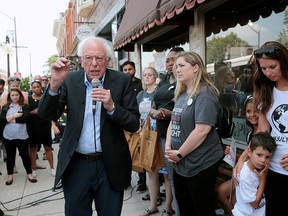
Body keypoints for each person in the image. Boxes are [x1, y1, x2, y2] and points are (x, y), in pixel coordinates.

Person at [38, 36, 140, 216]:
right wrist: (54, 84)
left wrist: (112, 108)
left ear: (108, 60)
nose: (94, 64)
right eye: (89, 58)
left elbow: (133, 123)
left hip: (110, 166)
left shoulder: (122, 81)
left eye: (99, 58)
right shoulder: (69, 80)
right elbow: (47, 114)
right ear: (81, 60)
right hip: (76, 165)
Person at [165, 51, 223, 216]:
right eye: (176, 66)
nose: (177, 70)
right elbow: (173, 121)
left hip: (200, 163)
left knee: (202, 208)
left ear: (196, 67)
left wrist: (180, 153)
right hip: (180, 162)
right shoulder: (183, 93)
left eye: (182, 65)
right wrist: (169, 147)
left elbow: (202, 130)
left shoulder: (205, 94)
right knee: (185, 208)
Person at [234, 41, 288, 216]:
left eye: (272, 66)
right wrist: (243, 158)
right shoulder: (266, 90)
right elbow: (263, 131)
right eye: (263, 68)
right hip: (272, 167)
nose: (268, 73)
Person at [149, 46, 184, 216]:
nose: (170, 63)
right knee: (170, 176)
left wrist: (171, 113)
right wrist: (154, 112)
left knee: (181, 178)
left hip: (182, 136)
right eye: (168, 60)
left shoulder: (184, 81)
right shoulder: (163, 80)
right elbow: (153, 104)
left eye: (174, 59)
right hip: (163, 134)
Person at [218, 95, 258, 214]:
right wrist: (232, 154)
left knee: (227, 193)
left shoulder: (265, 132)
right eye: (248, 111)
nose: (252, 115)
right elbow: (249, 156)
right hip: (244, 173)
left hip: (253, 177)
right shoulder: (250, 133)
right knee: (225, 193)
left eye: (256, 111)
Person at [232, 132, 276, 216]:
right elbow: (255, 203)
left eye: (267, 157)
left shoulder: (260, 168)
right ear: (249, 152)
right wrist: (263, 180)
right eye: (259, 155)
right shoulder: (245, 175)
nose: (263, 160)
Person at [0, 88, 37, 185]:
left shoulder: (25, 106)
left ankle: (29, 174)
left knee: (25, 156)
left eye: (16, 95)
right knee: (10, 157)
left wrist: (10, 118)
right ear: (10, 97)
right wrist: (15, 116)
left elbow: (25, 118)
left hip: (22, 136)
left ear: (20, 95)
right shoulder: (5, 107)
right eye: (12, 95)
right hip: (8, 136)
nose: (15, 97)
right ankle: (10, 176)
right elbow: (2, 120)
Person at [137, 67, 161, 216]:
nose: (147, 77)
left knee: (162, 171)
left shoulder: (158, 93)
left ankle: (168, 204)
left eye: (150, 75)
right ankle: (153, 202)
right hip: (144, 133)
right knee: (149, 169)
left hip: (157, 132)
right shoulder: (140, 94)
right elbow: (135, 112)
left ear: (155, 77)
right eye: (145, 75)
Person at [27, 80, 55, 177]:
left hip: (45, 125)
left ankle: (52, 168)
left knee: (47, 147)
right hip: (33, 126)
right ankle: (33, 168)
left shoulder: (45, 97)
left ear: (41, 87)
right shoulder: (29, 99)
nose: (36, 89)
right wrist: (33, 112)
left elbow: (51, 110)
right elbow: (26, 113)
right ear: (32, 88)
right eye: (34, 87)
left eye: (38, 87)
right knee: (33, 148)